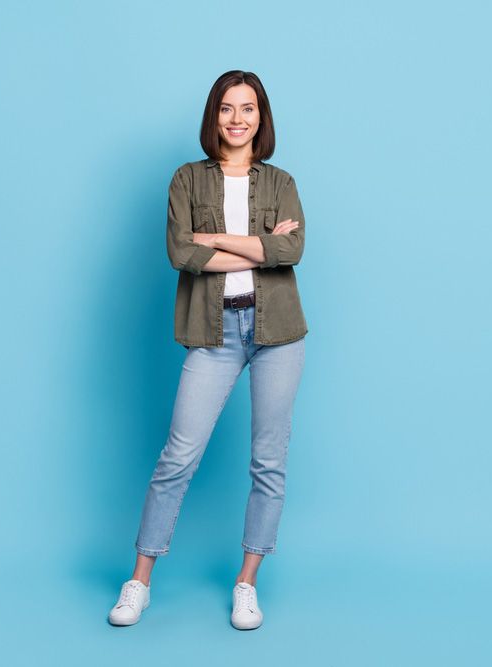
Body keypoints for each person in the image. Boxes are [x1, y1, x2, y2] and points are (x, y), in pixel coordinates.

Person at [108, 70, 308, 631]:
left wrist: (214, 238)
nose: (237, 119)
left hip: (278, 335)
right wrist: (262, 249)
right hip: (214, 332)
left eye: (248, 109)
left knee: (269, 462)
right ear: (213, 116)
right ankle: (139, 582)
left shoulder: (282, 181)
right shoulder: (187, 180)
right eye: (227, 108)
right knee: (177, 457)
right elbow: (180, 254)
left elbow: (294, 248)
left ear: (261, 118)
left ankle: (247, 583)